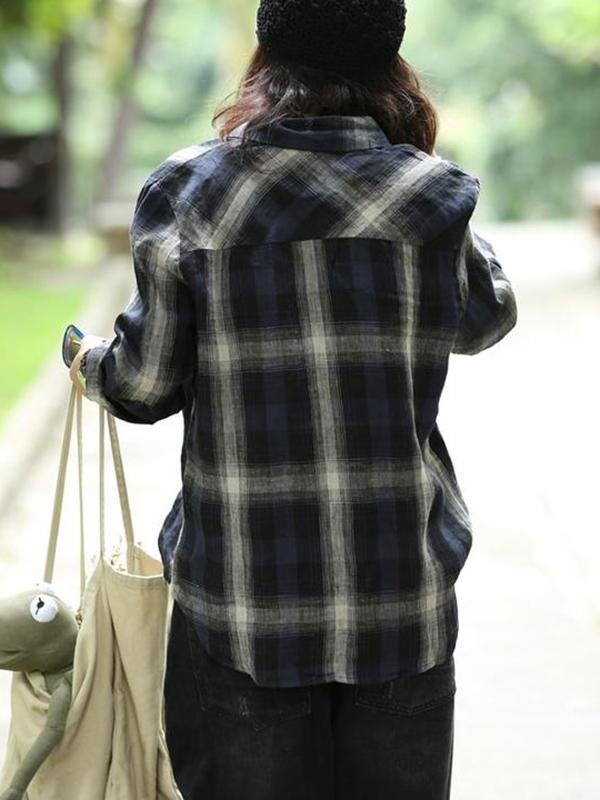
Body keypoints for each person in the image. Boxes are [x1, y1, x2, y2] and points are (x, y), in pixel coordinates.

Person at [68, 0, 518, 797]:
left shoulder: (189, 192)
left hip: (241, 608)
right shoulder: (433, 198)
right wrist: (418, 172)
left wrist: (86, 362)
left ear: (266, 60)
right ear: (393, 66)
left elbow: (143, 387)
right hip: (400, 603)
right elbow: (487, 319)